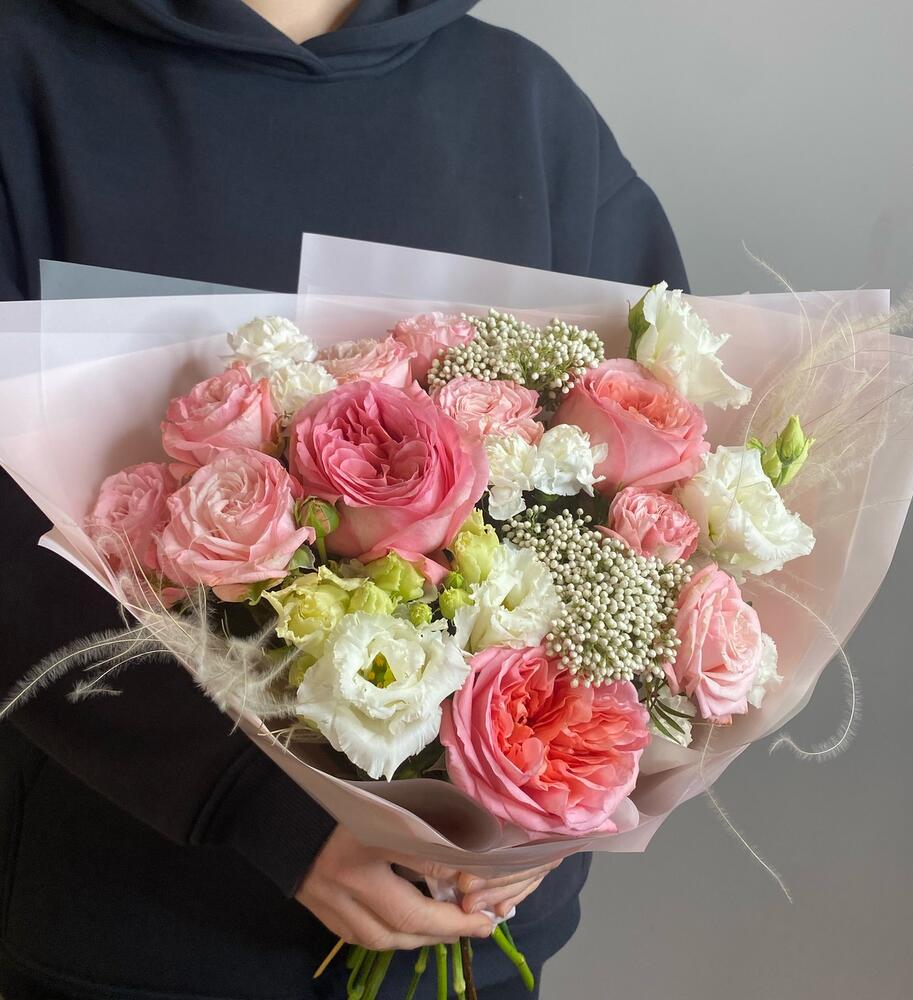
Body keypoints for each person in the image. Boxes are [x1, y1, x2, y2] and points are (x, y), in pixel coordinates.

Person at [0, 1, 688, 997]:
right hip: (141, 930)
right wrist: (253, 805)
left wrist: (541, 810)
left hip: (476, 937)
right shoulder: (28, 80)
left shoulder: (524, 110)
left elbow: (664, 498)